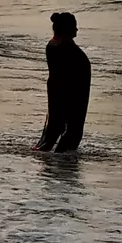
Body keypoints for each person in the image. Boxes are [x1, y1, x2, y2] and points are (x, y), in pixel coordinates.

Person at [33, 12, 91, 153]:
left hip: (61, 88)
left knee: (55, 126)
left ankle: (49, 152)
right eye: (74, 26)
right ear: (66, 29)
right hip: (70, 91)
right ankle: (60, 155)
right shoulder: (64, 48)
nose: (76, 29)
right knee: (69, 127)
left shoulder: (54, 45)